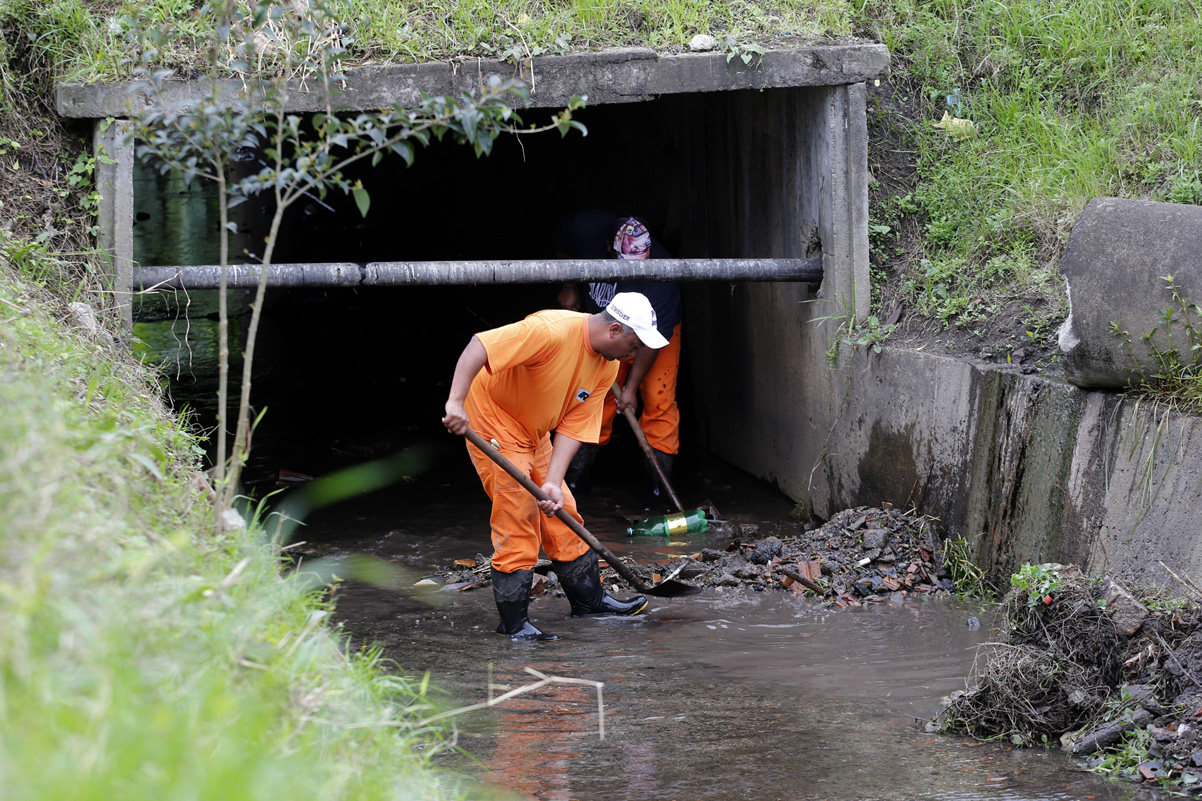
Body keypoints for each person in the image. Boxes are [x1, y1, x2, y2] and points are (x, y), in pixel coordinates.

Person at [442, 292, 668, 641]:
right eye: (633, 344)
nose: (633, 354)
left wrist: (552, 482)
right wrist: (456, 401)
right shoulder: (550, 330)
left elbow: (574, 427)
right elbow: (479, 346)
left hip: (534, 427)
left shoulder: (607, 367)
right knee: (518, 512)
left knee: (563, 508)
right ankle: (514, 626)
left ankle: (589, 603)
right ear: (614, 330)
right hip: (493, 418)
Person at [554, 211, 684, 509]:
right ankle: (575, 485)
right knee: (594, 400)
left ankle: (657, 496)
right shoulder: (583, 229)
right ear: (608, 247)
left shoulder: (662, 275)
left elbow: (652, 342)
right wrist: (570, 286)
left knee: (658, 400)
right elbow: (561, 243)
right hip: (608, 333)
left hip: (654, 335)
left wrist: (631, 388)